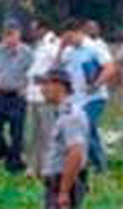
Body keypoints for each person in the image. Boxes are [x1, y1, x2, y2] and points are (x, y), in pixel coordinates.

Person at [58, 21, 116, 172]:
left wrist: (96, 84)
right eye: (65, 39)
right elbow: (57, 66)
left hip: (94, 97)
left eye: (70, 38)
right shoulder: (69, 51)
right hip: (76, 98)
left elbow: (110, 68)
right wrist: (60, 48)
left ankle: (98, 166)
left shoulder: (94, 47)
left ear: (78, 32)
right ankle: (93, 164)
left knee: (86, 128)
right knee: (87, 130)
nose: (68, 42)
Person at [37, 69, 89, 209]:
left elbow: (76, 153)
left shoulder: (70, 116)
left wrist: (64, 191)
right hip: (58, 183)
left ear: (60, 86)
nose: (42, 90)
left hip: (64, 182)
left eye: (45, 84)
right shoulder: (61, 114)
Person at [0, 20, 34, 173]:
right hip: (0, 96)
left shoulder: (27, 53)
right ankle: (3, 155)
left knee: (16, 132)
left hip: (17, 96)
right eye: (7, 35)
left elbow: (33, 73)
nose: (10, 39)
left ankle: (14, 165)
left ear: (19, 35)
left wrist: (26, 87)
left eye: (12, 35)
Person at [28, 20, 62, 178]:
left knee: (48, 132)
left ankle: (51, 167)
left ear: (43, 29)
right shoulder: (39, 45)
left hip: (46, 94)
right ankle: (36, 167)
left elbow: (58, 64)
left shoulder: (53, 43)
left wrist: (46, 79)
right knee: (35, 133)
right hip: (34, 93)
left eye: (34, 29)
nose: (32, 32)